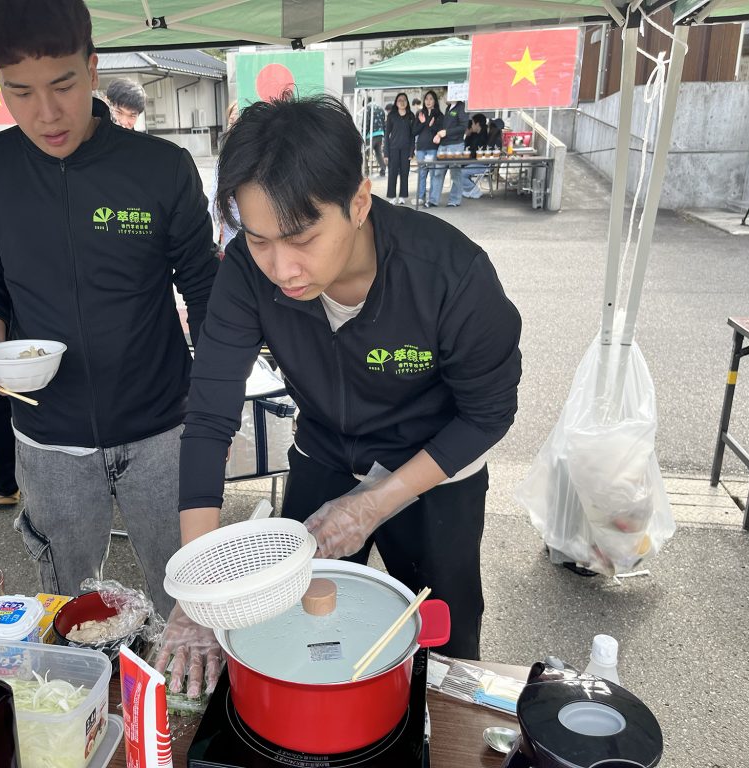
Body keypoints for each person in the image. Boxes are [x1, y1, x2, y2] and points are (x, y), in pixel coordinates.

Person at [173, 96, 522, 693]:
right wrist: (200, 594)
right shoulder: (245, 273)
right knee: (292, 625)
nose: (282, 268)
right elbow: (208, 419)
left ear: (359, 202)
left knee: (444, 642)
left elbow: (490, 412)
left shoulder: (450, 273)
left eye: (302, 238)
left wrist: (373, 505)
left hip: (435, 465)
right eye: (259, 239)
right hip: (327, 453)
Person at [0, 0, 218, 619]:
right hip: (49, 431)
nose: (47, 113)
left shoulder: (160, 168)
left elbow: (204, 287)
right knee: (69, 606)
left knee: (188, 597)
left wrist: (214, 405)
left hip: (162, 426)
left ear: (93, 69)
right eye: (21, 92)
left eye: (63, 84)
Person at [428, 99, 469, 207]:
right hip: (443, 144)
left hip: (456, 144)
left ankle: (454, 200)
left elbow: (463, 127)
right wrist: (438, 134)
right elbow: (444, 128)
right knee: (438, 172)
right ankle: (433, 200)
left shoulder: (462, 107)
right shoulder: (448, 108)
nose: (445, 97)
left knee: (455, 173)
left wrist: (447, 132)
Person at [211, 102, 240, 249]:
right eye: (231, 122)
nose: (234, 128)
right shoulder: (223, 162)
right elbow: (213, 204)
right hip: (230, 242)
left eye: (239, 122)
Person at [384, 92, 416, 205]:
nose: (402, 102)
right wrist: (386, 153)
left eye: (404, 100)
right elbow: (386, 135)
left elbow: (413, 135)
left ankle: (403, 196)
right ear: (396, 103)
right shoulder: (391, 116)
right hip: (393, 148)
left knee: (404, 172)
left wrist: (412, 151)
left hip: (406, 149)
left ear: (407, 102)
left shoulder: (411, 116)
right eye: (400, 100)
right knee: (392, 173)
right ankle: (392, 196)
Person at [414, 89, 443, 208]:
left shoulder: (439, 115)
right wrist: (423, 123)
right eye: (426, 99)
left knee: (433, 173)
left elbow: (440, 131)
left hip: (433, 148)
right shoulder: (420, 114)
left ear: (435, 101)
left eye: (431, 99)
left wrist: (431, 125)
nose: (428, 101)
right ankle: (421, 197)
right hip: (421, 148)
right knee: (422, 173)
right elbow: (414, 131)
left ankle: (431, 199)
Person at [461, 113, 489, 200]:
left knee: (460, 173)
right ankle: (470, 189)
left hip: (482, 164)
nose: (471, 126)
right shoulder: (475, 134)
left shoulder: (484, 137)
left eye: (473, 123)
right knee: (456, 170)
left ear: (477, 124)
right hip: (473, 161)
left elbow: (476, 153)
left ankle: (475, 190)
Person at [361, 97, 386, 178]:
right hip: (380, 134)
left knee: (365, 153)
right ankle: (383, 169)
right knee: (378, 153)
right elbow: (384, 122)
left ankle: (366, 171)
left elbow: (366, 123)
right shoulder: (380, 108)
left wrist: (363, 135)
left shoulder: (367, 108)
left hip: (371, 135)